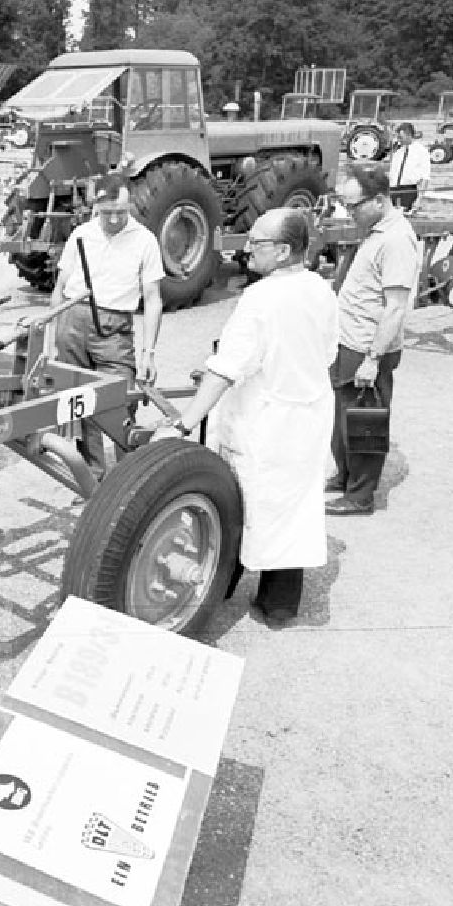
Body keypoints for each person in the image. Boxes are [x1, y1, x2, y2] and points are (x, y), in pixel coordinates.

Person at [159, 208, 338, 623]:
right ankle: (279, 604)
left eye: (255, 242)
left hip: (265, 421)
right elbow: (327, 352)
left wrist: (183, 422)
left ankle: (215, 587)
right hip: (306, 416)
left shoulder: (261, 298)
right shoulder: (319, 289)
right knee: (293, 509)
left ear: (282, 251)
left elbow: (227, 369)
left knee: (239, 502)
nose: (247, 249)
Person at [48, 172, 164, 481]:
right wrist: (52, 336)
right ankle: (94, 477)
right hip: (72, 321)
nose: (113, 219)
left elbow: (153, 299)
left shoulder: (144, 240)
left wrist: (148, 353)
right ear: (95, 206)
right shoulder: (82, 235)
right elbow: (59, 287)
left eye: (120, 212)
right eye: (106, 212)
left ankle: (129, 479)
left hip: (113, 327)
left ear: (130, 205)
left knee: (120, 404)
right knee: (80, 404)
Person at [326, 162, 419, 516]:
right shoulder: (376, 230)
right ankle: (346, 476)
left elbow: (395, 307)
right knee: (343, 418)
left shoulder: (396, 240)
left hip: (367, 347)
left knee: (365, 422)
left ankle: (360, 495)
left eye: (354, 206)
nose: (348, 213)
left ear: (379, 200)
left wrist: (373, 358)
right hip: (350, 342)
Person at [388, 122, 431, 210]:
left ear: (409, 135)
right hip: (393, 190)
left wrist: (419, 199)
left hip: (408, 191)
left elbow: (425, 177)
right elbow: (392, 174)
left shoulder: (421, 152)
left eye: (401, 137)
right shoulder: (398, 153)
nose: (399, 140)